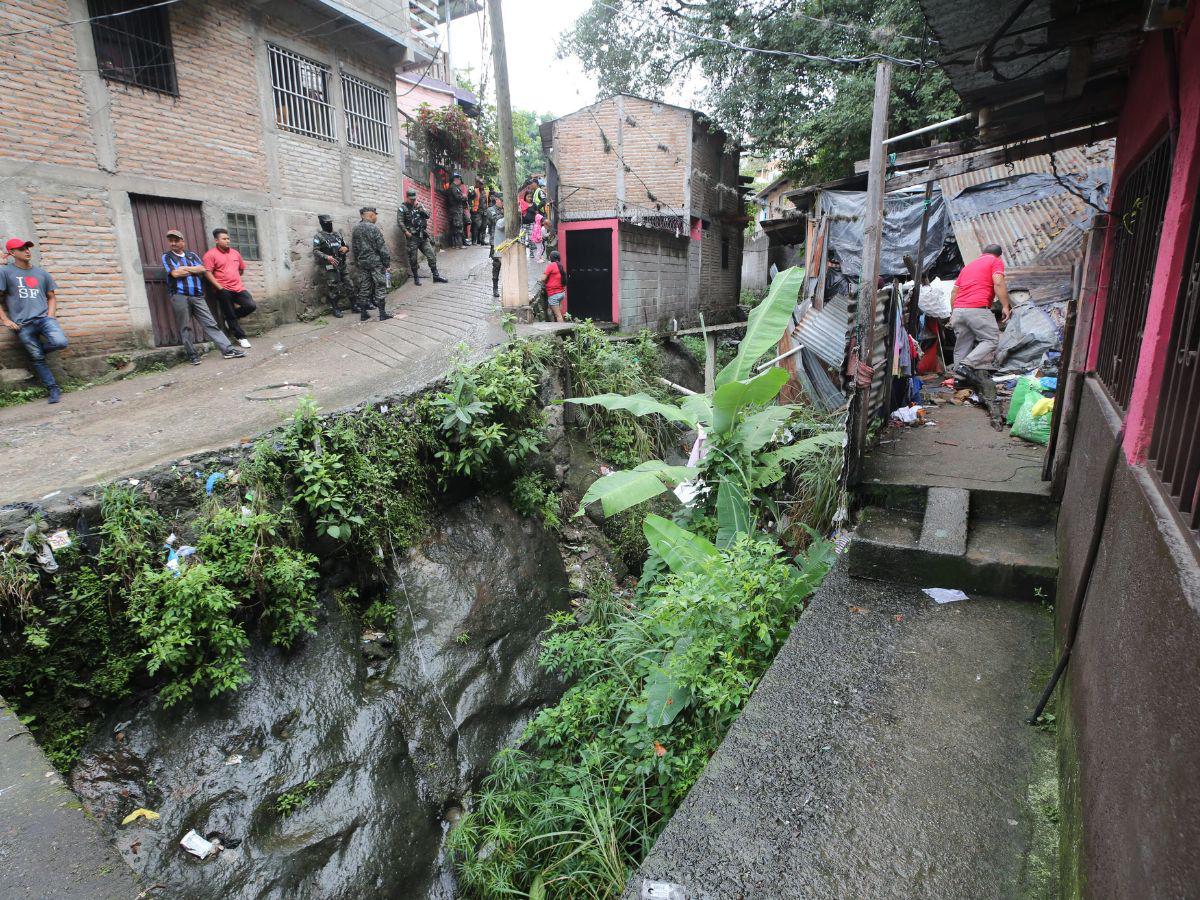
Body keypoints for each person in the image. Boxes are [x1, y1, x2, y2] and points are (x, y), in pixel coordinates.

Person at [0, 238, 69, 403]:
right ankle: (53, 389)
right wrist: (5, 320)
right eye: (21, 248)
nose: (27, 251)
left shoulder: (42, 273)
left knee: (60, 342)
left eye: (27, 247)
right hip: (23, 325)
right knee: (37, 359)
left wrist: (50, 316)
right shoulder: (5, 272)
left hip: (44, 319)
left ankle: (38, 352)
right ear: (12, 253)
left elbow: (51, 297)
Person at [162, 229, 244, 363]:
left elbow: (202, 269)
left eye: (176, 240)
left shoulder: (192, 255)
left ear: (183, 241)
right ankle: (193, 356)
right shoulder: (167, 256)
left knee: (210, 323)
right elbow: (175, 274)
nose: (173, 243)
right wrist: (192, 269)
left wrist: (184, 269)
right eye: (171, 241)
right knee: (185, 327)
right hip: (179, 296)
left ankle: (228, 350)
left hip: (197, 295)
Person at [948, 243, 1011, 378]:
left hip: (958, 310)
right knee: (991, 339)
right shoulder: (995, 261)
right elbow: (998, 282)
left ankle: (959, 380)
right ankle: (967, 365)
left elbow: (954, 292)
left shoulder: (968, 267)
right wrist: (1005, 306)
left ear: (983, 252)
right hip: (977, 308)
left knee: (962, 345)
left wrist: (953, 312)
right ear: (999, 255)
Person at [202, 228, 256, 349]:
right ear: (216, 240)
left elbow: (241, 269)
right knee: (229, 311)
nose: (227, 241)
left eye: (228, 238)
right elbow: (207, 273)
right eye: (224, 239)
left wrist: (234, 278)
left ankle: (230, 318)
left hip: (238, 288)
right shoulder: (210, 255)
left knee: (250, 305)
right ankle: (241, 337)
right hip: (223, 289)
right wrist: (220, 288)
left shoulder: (235, 253)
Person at [398, 189, 447, 286]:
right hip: (412, 237)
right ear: (407, 197)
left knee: (431, 255)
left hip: (423, 236)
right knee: (413, 258)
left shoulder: (419, 206)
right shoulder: (402, 208)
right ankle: (416, 277)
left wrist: (421, 209)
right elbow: (400, 221)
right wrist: (406, 232)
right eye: (411, 199)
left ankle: (436, 276)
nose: (413, 201)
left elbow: (428, 216)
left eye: (414, 199)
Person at [351, 207, 392, 322]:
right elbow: (382, 248)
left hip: (363, 263)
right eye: (375, 215)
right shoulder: (373, 228)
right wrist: (387, 263)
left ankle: (363, 314)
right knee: (380, 285)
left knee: (364, 287)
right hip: (375, 263)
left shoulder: (356, 229)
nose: (376, 217)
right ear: (371, 215)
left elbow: (354, 248)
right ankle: (382, 314)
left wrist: (358, 262)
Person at [312, 215, 351, 318]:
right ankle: (335, 309)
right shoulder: (319, 237)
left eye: (330, 222)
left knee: (349, 284)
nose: (329, 224)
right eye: (327, 223)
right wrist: (327, 257)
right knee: (333, 287)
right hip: (330, 266)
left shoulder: (337, 234)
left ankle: (354, 304)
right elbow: (315, 250)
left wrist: (345, 248)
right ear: (322, 224)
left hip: (342, 264)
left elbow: (345, 245)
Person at [537, 249, 567, 323]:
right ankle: (557, 327)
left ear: (551, 258)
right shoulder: (559, 265)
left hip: (554, 294)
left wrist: (539, 278)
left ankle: (561, 330)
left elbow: (543, 278)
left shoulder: (551, 266)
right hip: (561, 293)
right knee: (556, 312)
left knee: (558, 315)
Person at [445, 173, 467, 248]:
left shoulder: (455, 187)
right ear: (456, 180)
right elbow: (457, 198)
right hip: (456, 210)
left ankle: (455, 244)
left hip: (456, 209)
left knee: (455, 227)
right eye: (460, 180)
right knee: (458, 226)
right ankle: (459, 244)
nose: (460, 181)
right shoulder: (453, 188)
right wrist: (463, 196)